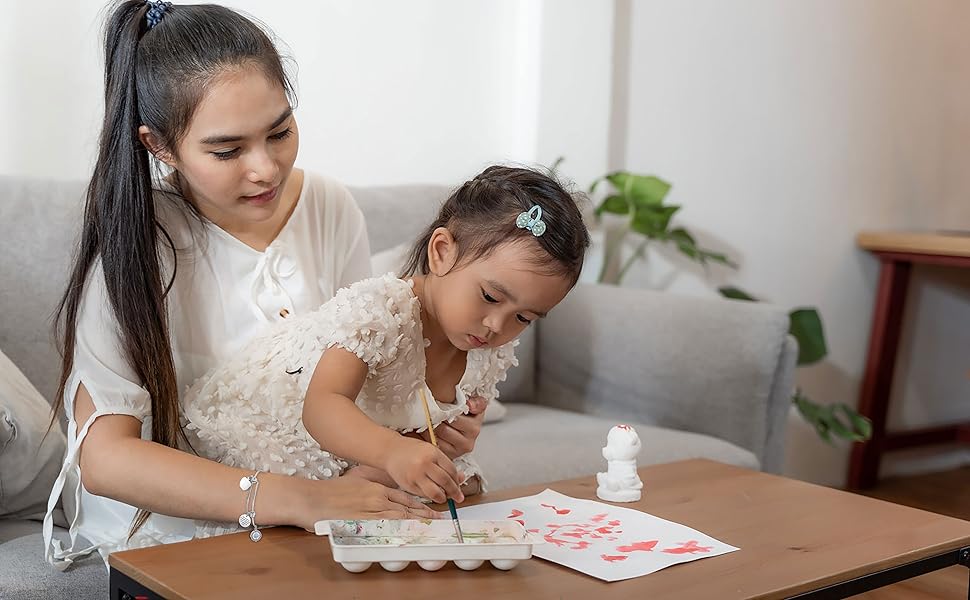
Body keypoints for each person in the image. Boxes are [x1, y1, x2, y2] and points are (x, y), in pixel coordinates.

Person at [40, 0, 482, 570]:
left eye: (280, 132)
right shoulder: (137, 243)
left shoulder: (329, 207)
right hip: (174, 519)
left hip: (320, 493)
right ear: (160, 146)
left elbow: (365, 382)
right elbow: (106, 459)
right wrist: (300, 500)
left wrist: (418, 438)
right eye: (227, 150)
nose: (266, 169)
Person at [181, 165, 591, 540]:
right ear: (441, 252)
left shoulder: (490, 348)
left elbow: (423, 427)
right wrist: (395, 453)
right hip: (267, 424)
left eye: (524, 317)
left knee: (454, 488)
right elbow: (322, 407)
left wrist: (443, 438)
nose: (497, 326)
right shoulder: (381, 310)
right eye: (489, 297)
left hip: (357, 448)